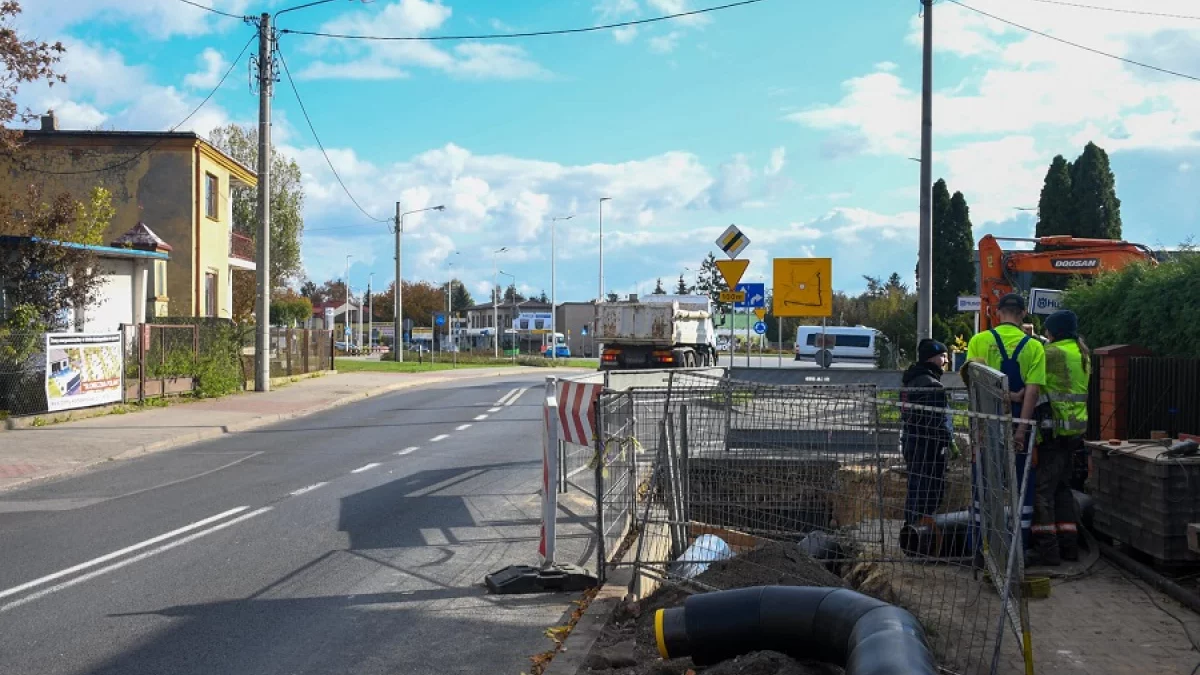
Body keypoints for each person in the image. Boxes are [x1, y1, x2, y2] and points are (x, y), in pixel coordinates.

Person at [965, 293, 1047, 553]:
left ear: (997, 313)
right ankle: (1016, 552)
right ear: (1023, 314)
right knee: (1020, 490)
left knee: (985, 486)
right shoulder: (1034, 347)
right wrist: (1021, 430)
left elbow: (976, 385)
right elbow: (1031, 393)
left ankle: (982, 548)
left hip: (987, 425)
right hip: (1018, 427)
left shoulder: (979, 341)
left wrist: (977, 428)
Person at [1031, 310, 1090, 564]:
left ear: (1055, 331)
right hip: (1074, 432)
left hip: (1053, 432)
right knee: (1062, 489)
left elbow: (1032, 375)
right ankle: (1069, 547)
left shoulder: (1052, 353)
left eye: (1047, 330)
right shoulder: (1081, 353)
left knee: (1041, 492)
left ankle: (1048, 551)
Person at [900, 339, 953, 528]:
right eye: (943, 356)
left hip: (911, 442)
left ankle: (912, 527)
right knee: (930, 491)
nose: (946, 361)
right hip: (928, 448)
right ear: (932, 358)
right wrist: (947, 441)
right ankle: (921, 535)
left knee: (915, 488)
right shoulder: (933, 386)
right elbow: (935, 423)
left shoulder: (910, 379)